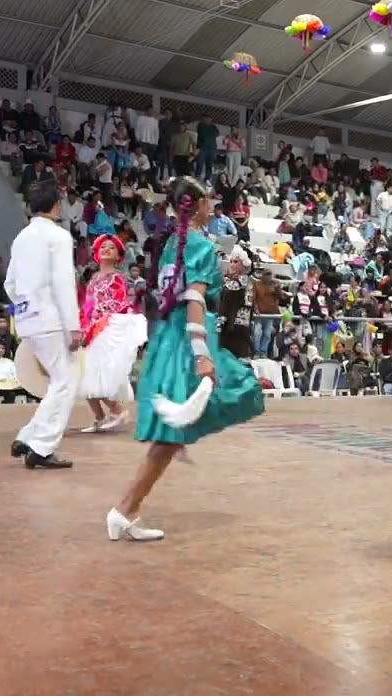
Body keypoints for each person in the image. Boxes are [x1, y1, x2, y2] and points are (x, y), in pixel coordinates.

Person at [107, 178, 265, 542]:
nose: (213, 206)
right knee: (240, 390)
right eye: (209, 200)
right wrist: (200, 356)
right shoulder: (200, 247)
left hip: (168, 337)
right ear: (201, 206)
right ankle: (123, 509)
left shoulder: (172, 247)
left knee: (173, 433)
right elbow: (194, 299)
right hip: (185, 338)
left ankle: (128, 508)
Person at [5, 181, 82, 470]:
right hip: (51, 318)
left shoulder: (21, 238)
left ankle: (28, 437)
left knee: (59, 382)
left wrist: (24, 304)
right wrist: (73, 326)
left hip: (27, 318)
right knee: (65, 382)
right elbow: (63, 283)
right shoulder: (59, 236)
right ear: (56, 206)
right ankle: (41, 447)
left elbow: (9, 283)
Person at [78, 233, 146, 433]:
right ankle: (99, 417)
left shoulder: (118, 277)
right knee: (85, 375)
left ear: (118, 256)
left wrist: (99, 323)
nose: (106, 250)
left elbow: (118, 304)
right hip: (91, 330)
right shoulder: (93, 279)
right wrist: (84, 326)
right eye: (103, 247)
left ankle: (117, 410)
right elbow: (88, 307)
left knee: (98, 375)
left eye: (111, 248)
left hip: (106, 329)